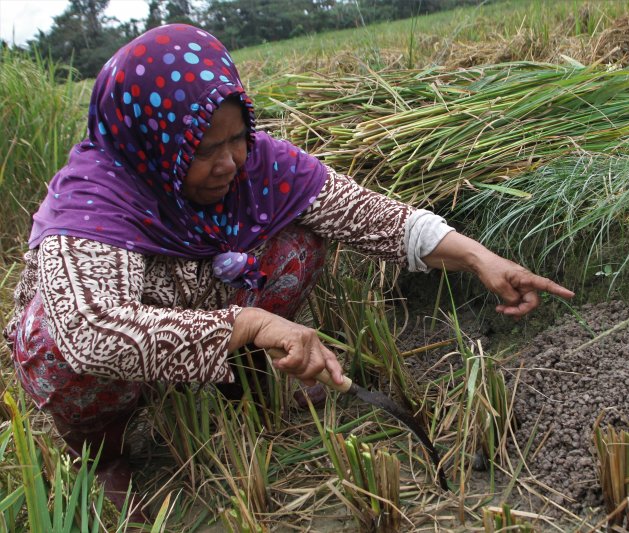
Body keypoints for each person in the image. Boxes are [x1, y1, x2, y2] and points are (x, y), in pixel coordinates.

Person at [2, 24, 574, 522]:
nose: (231, 163)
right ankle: (103, 455)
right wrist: (248, 323)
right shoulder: (94, 199)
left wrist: (478, 256)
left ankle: (241, 385)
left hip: (207, 308)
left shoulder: (263, 164)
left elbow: (366, 216)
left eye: (237, 139)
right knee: (55, 344)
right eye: (204, 149)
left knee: (300, 237)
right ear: (155, 143)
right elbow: (91, 332)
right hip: (122, 337)